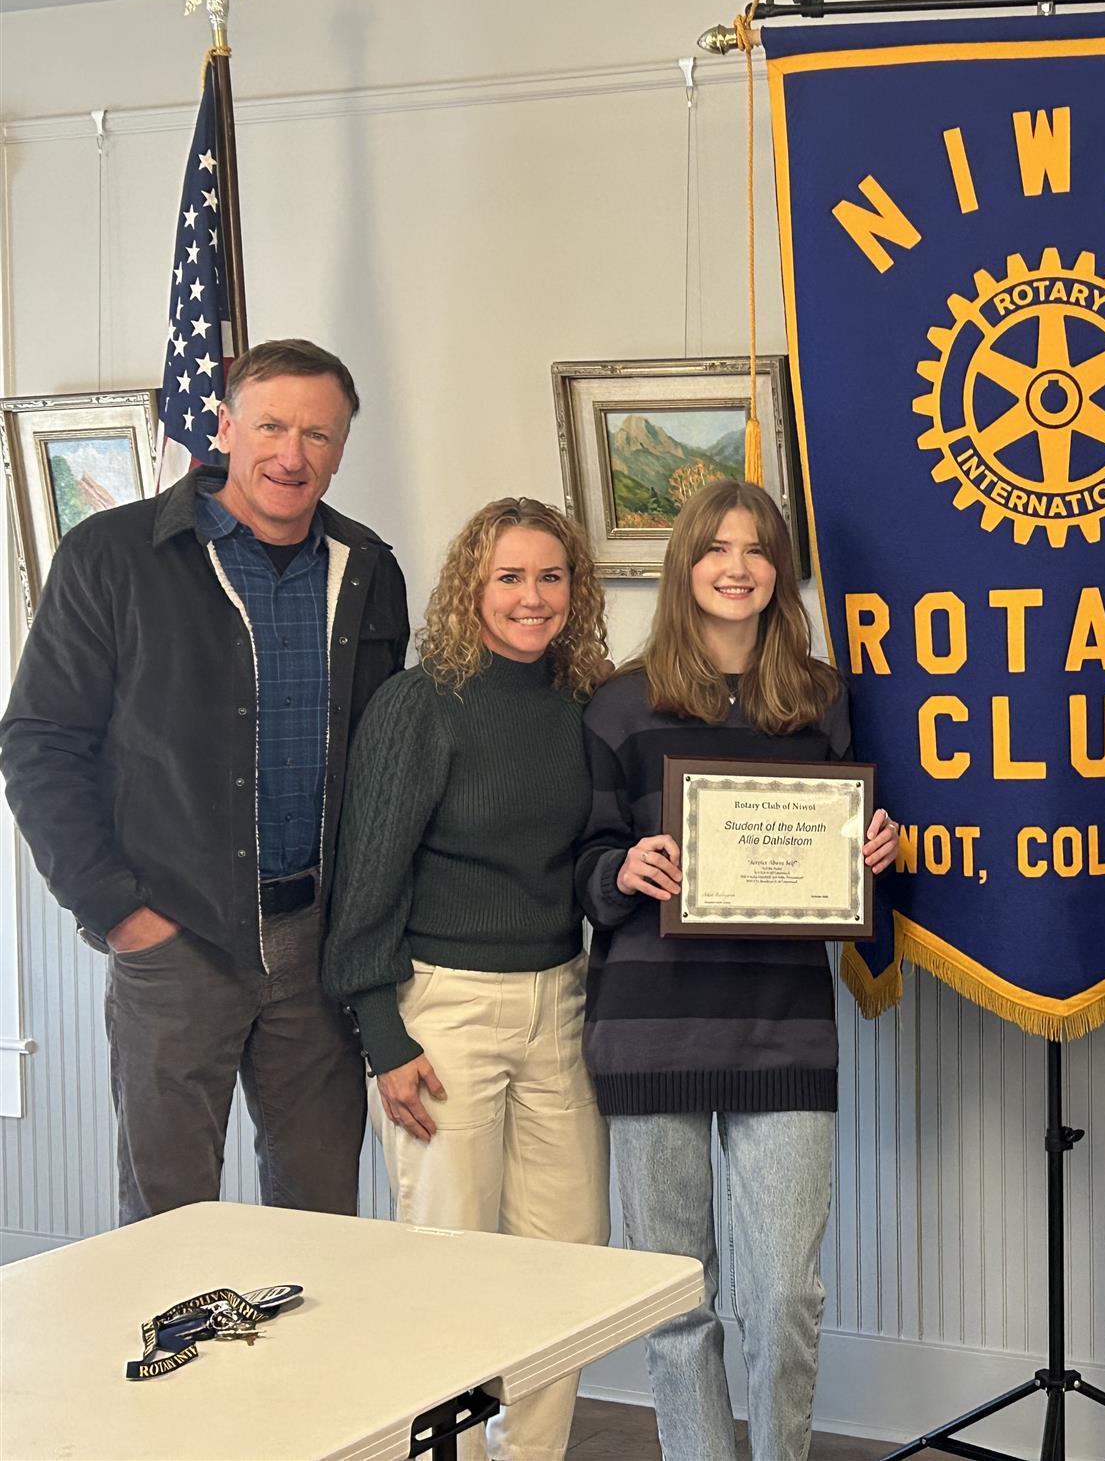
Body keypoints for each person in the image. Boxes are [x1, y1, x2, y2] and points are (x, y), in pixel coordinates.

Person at [0, 339, 407, 1224]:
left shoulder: (368, 568)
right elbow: (38, 743)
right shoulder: (113, 555)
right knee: (169, 1224)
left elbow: (386, 762)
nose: (292, 454)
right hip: (175, 941)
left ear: (342, 447)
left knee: (320, 1220)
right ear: (223, 426)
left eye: (318, 434)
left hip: (319, 945)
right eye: (270, 426)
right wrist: (119, 913)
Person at [578, 479, 897, 1461]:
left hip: (782, 1028)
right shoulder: (619, 703)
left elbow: (847, 860)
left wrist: (875, 851)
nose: (737, 566)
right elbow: (579, 862)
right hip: (649, 1029)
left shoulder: (823, 699)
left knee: (785, 1293)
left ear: (780, 571)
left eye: (758, 549)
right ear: (685, 564)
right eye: (717, 547)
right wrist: (620, 868)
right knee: (676, 1299)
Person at [322, 497, 612, 1460]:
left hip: (560, 1003)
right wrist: (384, 1038)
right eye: (509, 577)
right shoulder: (419, 705)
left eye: (551, 576)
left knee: (565, 1263)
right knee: (450, 1266)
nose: (533, 597)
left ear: (576, 589)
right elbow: (367, 880)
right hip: (442, 1014)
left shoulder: (583, 703)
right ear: (469, 589)